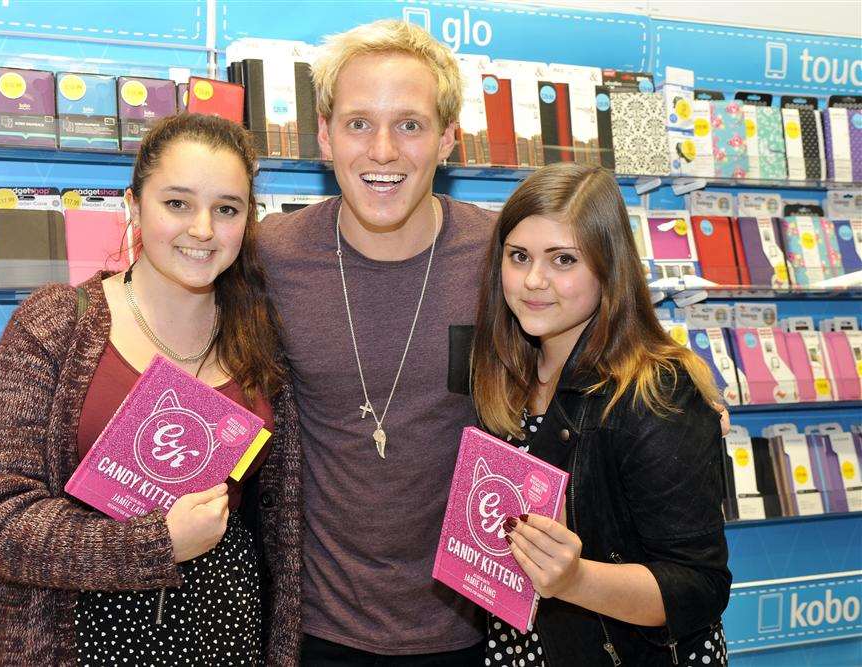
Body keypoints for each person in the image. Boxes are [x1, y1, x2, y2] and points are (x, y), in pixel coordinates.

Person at [0, 113, 301, 666]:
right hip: (74, 633)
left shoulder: (259, 338)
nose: (203, 229)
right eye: (178, 203)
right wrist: (157, 544)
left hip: (227, 632)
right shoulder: (57, 325)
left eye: (227, 209)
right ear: (134, 206)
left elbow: (280, 529)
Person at [256, 19, 494, 664]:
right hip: (313, 629)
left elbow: (600, 331)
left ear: (449, 139)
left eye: (410, 125)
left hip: (472, 621)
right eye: (359, 123)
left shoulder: (504, 255)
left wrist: (678, 375)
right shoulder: (266, 257)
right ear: (326, 137)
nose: (383, 151)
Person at [470, 162, 732, 666]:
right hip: (524, 647)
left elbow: (699, 585)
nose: (533, 280)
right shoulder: (501, 369)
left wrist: (575, 579)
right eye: (518, 256)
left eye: (563, 260)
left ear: (608, 267)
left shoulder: (657, 391)